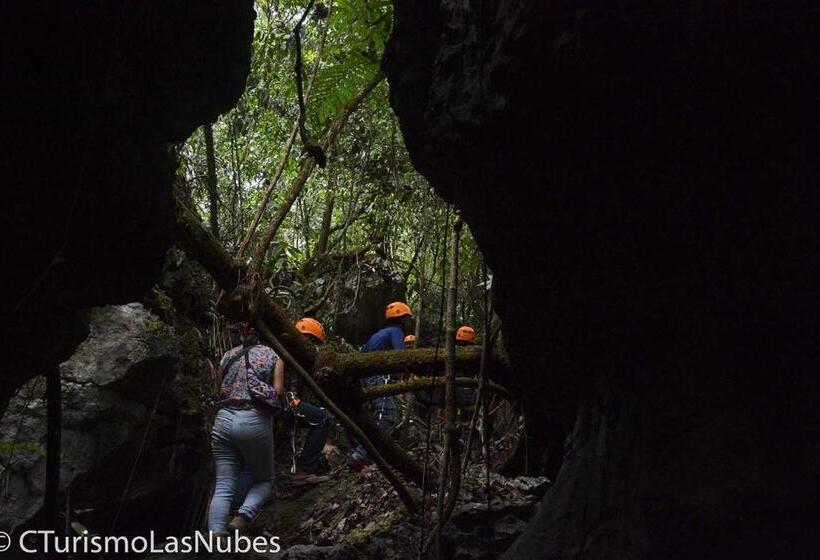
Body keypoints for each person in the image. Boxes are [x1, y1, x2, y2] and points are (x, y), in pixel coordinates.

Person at [208, 322, 283, 535]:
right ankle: (242, 516)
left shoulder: (227, 356)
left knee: (223, 485)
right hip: (253, 419)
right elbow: (278, 391)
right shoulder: (273, 355)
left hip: (223, 420)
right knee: (265, 480)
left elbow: (218, 390)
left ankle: (214, 536)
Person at [349, 301, 413, 471]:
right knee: (387, 415)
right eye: (408, 318)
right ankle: (360, 456)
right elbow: (401, 357)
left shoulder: (378, 334)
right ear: (401, 319)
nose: (410, 322)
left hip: (364, 378)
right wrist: (405, 375)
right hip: (377, 377)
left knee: (374, 415)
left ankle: (367, 455)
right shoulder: (396, 332)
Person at [287, 317, 335, 485]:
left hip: (288, 400)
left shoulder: (290, 351)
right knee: (324, 418)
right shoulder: (292, 353)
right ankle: (304, 471)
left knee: (318, 414)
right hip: (287, 401)